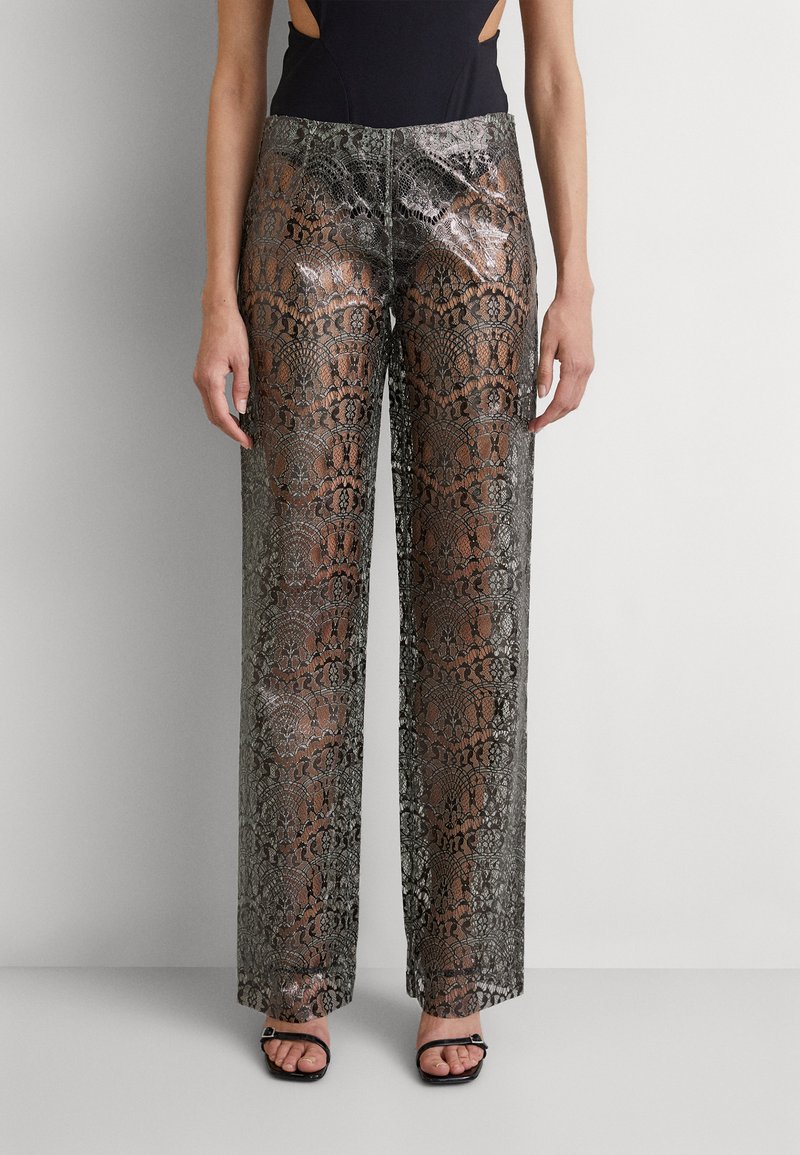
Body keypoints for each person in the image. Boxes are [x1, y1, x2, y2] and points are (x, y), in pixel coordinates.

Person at [193, 0, 594, 1084]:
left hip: (476, 197)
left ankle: (457, 973)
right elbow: (237, 75)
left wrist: (577, 281)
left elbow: (554, 72)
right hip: (305, 199)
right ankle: (295, 970)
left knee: (475, 599)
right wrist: (218, 296)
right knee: (298, 600)